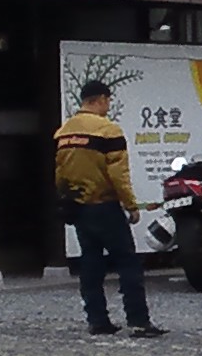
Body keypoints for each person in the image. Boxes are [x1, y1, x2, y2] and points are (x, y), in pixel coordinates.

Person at [52, 77, 157, 336]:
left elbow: (60, 173)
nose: (109, 106)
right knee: (128, 263)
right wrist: (131, 205)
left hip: (78, 207)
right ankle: (139, 320)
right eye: (108, 100)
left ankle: (97, 320)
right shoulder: (108, 131)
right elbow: (118, 175)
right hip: (106, 206)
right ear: (99, 99)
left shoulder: (63, 133)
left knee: (90, 264)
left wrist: (66, 199)